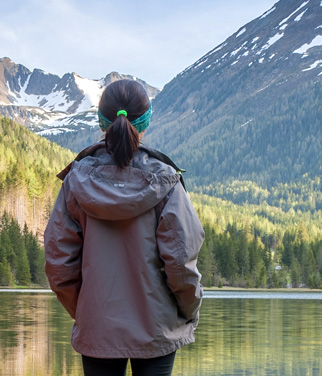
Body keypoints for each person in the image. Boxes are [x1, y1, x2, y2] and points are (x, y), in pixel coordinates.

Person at [44, 79, 204, 376]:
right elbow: (181, 262)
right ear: (146, 121)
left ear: (101, 122)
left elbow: (58, 264)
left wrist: (87, 313)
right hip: (157, 328)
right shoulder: (166, 181)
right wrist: (188, 310)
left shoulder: (76, 181)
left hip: (97, 329)